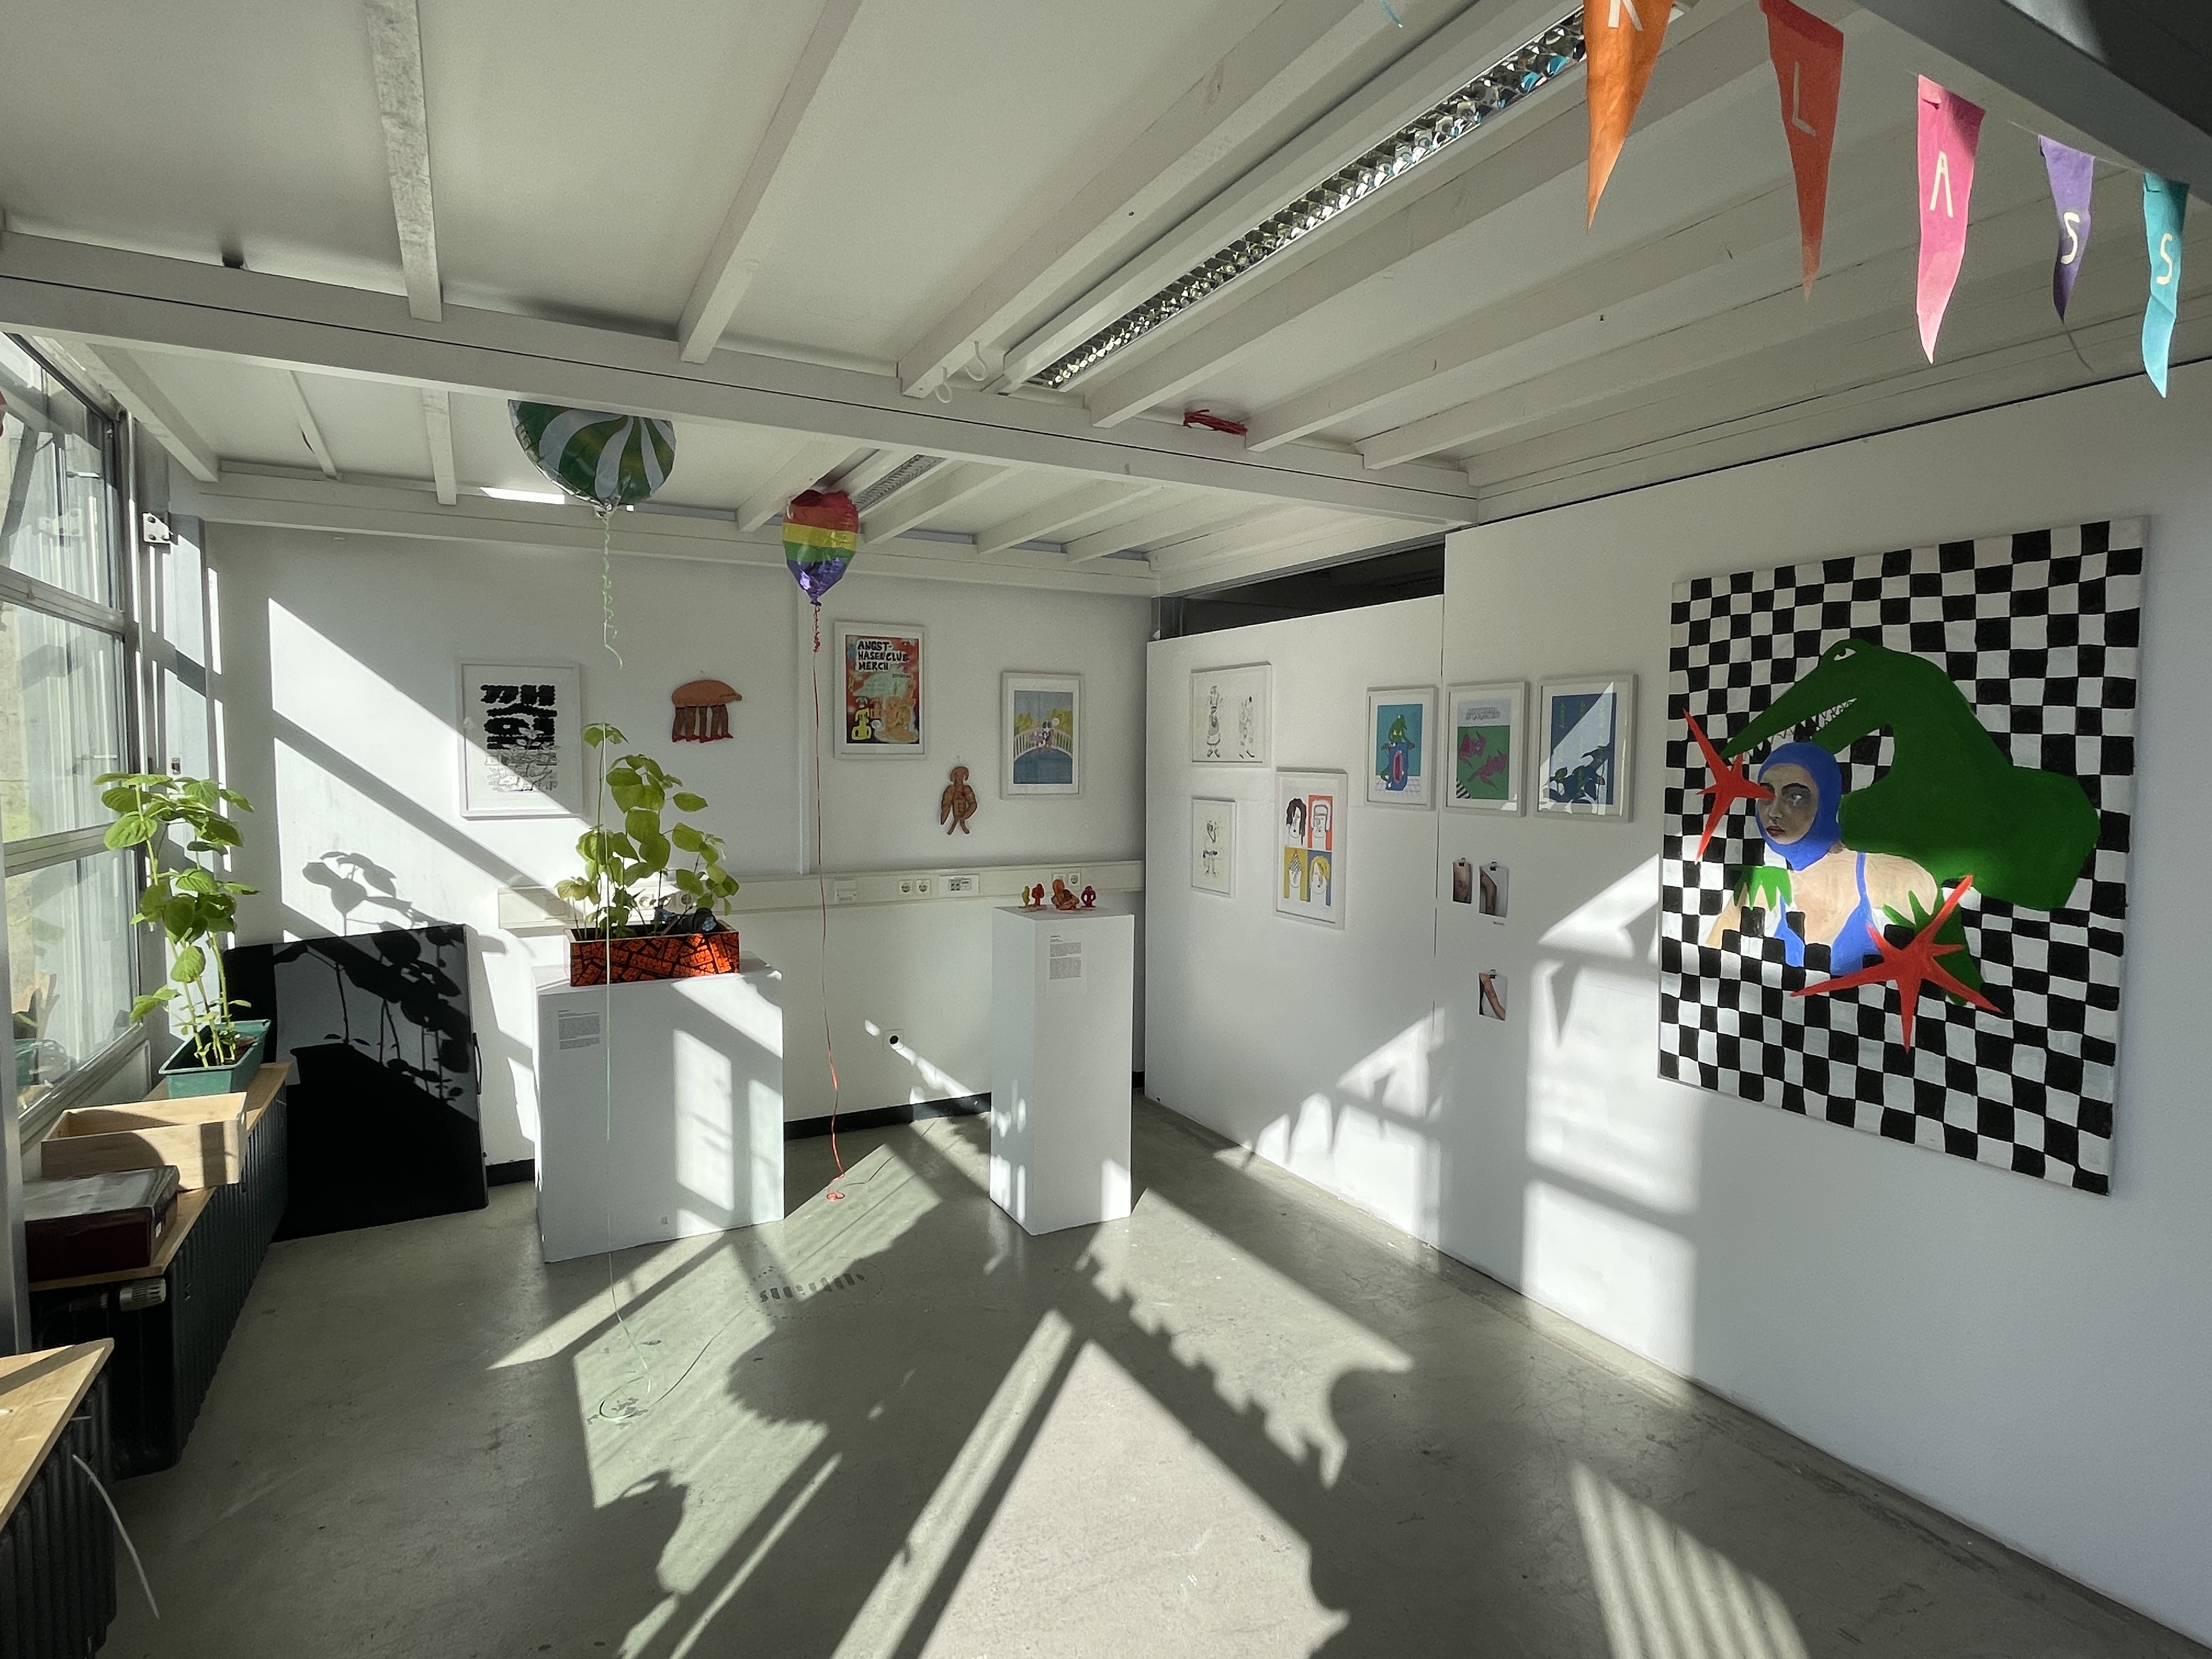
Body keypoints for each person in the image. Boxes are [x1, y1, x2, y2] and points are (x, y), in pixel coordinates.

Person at [1705, 742, 1938, 973]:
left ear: (1827, 802)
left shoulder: (1891, 877)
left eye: (1795, 797)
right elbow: (1711, 967)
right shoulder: (1760, 889)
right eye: (1765, 794)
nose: (1774, 812)